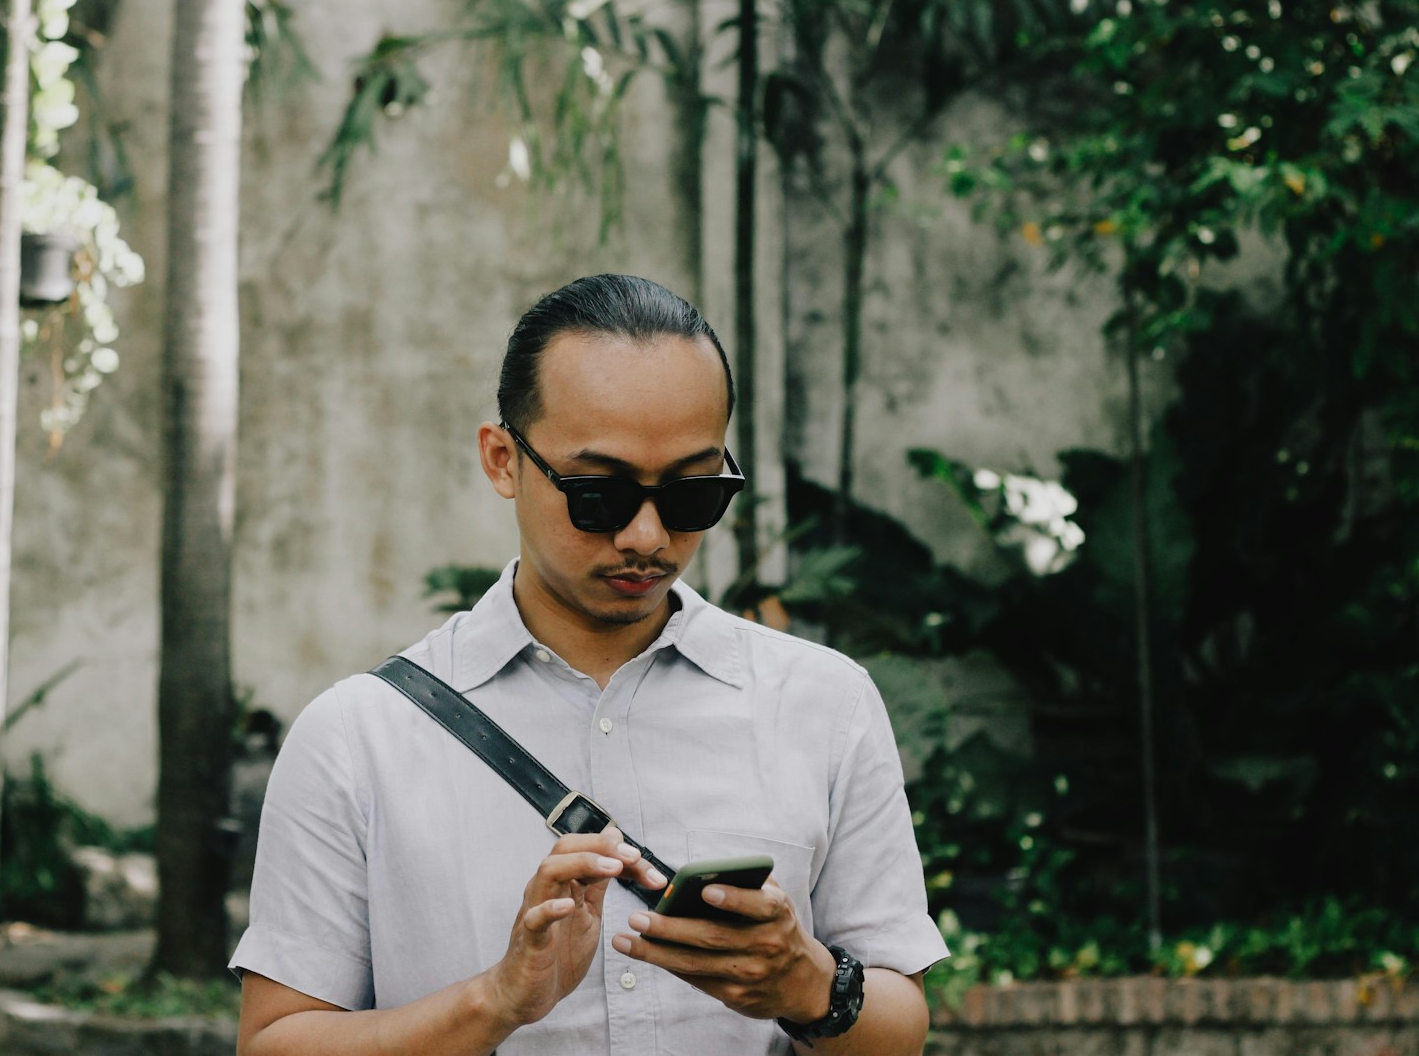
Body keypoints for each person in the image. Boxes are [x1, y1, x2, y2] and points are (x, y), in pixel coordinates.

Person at [230, 274, 948, 1055]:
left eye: (691, 493)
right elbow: (276, 1042)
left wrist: (808, 985)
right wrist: (495, 1000)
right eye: (599, 494)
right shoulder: (358, 736)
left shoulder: (823, 703)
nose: (646, 536)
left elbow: (899, 1030)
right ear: (503, 460)